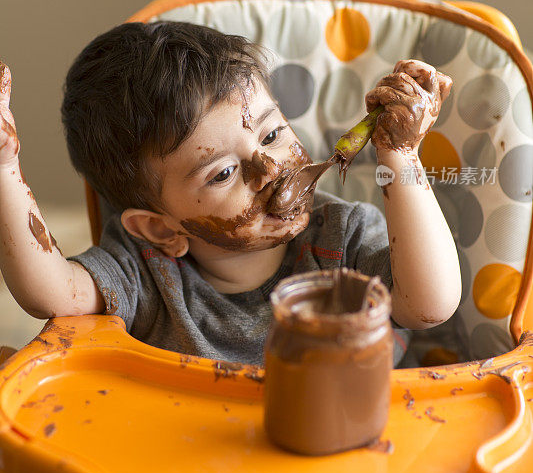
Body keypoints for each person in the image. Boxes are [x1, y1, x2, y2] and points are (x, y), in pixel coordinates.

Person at [0, 21, 461, 367]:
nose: (269, 167)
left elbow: (428, 306)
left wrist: (400, 156)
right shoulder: (146, 271)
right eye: (222, 174)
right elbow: (50, 294)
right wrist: (4, 165)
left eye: (272, 134)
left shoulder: (343, 239)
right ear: (161, 228)